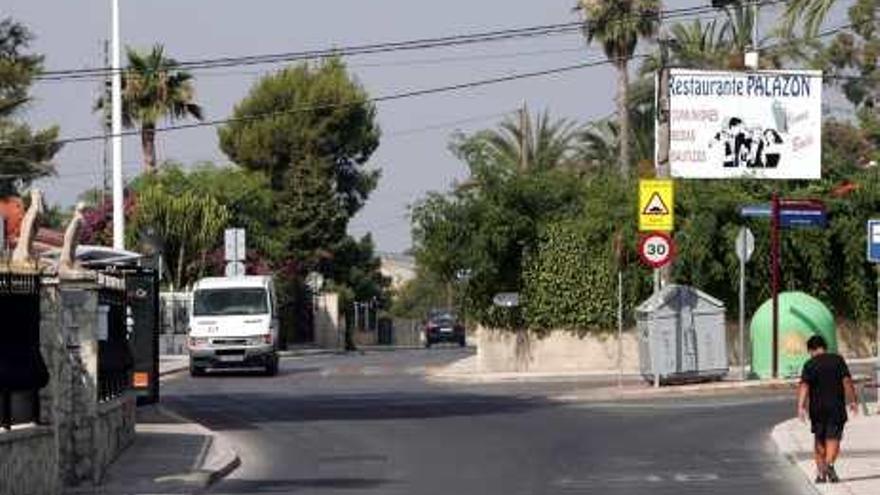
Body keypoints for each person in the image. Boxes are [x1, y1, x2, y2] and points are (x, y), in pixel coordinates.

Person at [797, 335, 859, 484]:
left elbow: (804, 386)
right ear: (824, 347)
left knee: (819, 439)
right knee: (834, 437)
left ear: (811, 349)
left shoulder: (809, 364)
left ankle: (820, 474)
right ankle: (830, 465)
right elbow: (847, 381)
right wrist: (853, 400)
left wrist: (800, 406)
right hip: (836, 406)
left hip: (817, 409)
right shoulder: (837, 360)